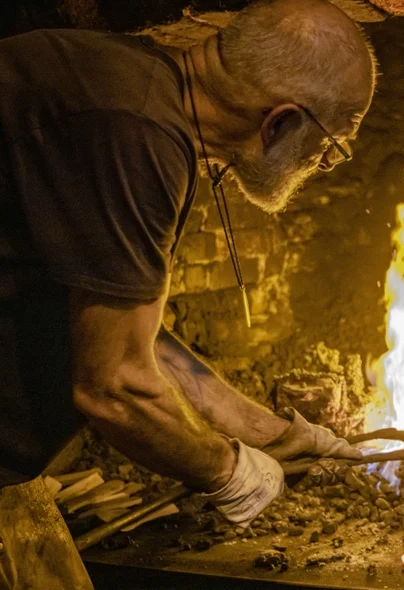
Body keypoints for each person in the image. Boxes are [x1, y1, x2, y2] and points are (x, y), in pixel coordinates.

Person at [0, 0, 377, 587]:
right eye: (331, 145)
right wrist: (229, 472)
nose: (321, 164)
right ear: (280, 122)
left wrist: (270, 434)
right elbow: (114, 386)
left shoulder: (139, 91)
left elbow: (126, 330)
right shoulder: (133, 132)